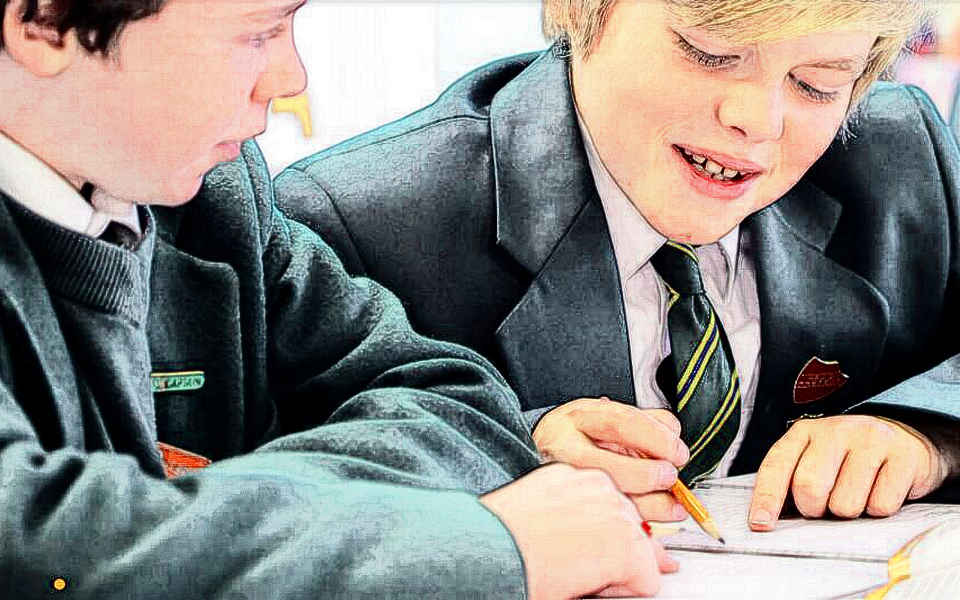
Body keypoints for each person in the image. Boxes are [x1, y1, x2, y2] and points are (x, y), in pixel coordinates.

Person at [0, 1, 676, 598]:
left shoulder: (214, 199)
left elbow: (453, 395)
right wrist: (462, 547)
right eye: (257, 33)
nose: (290, 78)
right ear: (45, 20)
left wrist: (208, 526)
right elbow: (33, 554)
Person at [276, 0, 960, 531]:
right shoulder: (359, 221)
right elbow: (274, 498)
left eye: (817, 84)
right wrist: (510, 447)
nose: (757, 119)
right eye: (711, 53)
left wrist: (926, 432)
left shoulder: (901, 158)